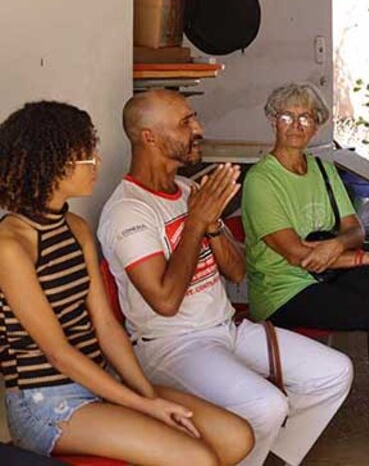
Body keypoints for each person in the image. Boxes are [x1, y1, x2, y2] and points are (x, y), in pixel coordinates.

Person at [98, 90, 353, 466]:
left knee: (334, 372)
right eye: (185, 122)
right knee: (267, 405)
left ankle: (268, 457)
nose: (198, 128)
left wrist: (212, 226)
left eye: (194, 117)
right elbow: (165, 302)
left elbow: (236, 272)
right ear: (149, 136)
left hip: (225, 330)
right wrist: (195, 224)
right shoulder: (127, 211)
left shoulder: (188, 190)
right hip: (170, 345)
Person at [0, 101, 253, 465]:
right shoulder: (11, 245)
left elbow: (105, 325)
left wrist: (147, 393)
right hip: (47, 403)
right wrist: (143, 405)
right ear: (52, 163)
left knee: (235, 437)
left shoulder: (76, 229)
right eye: (86, 155)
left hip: (100, 382)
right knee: (196, 458)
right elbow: (58, 352)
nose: (98, 163)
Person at [240, 83, 369, 458]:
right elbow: (299, 256)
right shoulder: (261, 181)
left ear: (316, 125)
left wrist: (337, 244)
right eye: (287, 116)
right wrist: (363, 257)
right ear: (272, 121)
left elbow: (356, 229)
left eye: (306, 117)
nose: (296, 125)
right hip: (283, 291)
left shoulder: (322, 168)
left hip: (326, 274)